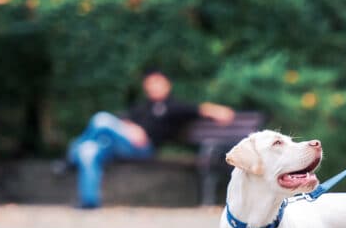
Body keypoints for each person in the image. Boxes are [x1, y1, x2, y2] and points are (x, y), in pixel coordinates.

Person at [63, 68, 234, 209]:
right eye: (150, 83)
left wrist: (219, 111)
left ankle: (71, 154)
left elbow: (201, 109)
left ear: (167, 85)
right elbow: (123, 120)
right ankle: (89, 201)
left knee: (101, 119)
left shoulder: (174, 107)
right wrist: (132, 129)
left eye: (157, 83)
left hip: (143, 149)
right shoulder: (142, 107)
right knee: (89, 150)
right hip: (122, 146)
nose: (153, 87)